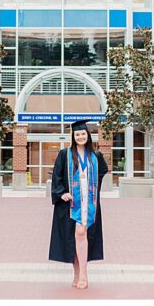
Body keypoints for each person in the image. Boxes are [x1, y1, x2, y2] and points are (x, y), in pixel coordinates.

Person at [48, 119, 109, 289]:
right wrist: (62, 193)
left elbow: (103, 171)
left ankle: (83, 274)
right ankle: (77, 274)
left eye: (83, 134)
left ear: (87, 135)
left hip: (89, 203)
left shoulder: (95, 156)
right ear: (73, 136)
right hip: (71, 203)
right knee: (75, 237)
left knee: (81, 233)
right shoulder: (65, 154)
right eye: (77, 134)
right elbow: (57, 176)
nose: (80, 136)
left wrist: (92, 187)